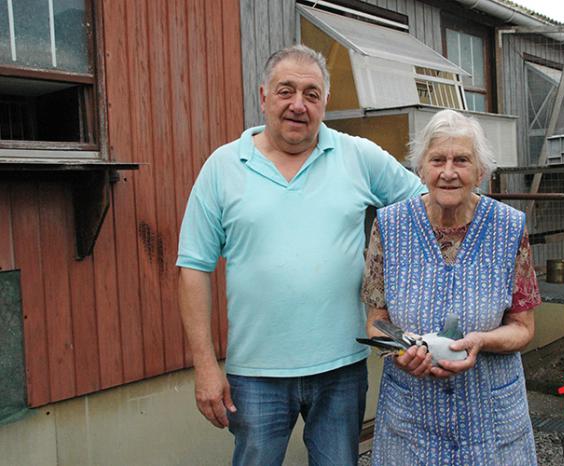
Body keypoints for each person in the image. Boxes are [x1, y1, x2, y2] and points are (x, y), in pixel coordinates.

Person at [176, 44, 424, 466]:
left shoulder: (357, 156)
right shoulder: (222, 166)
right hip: (255, 374)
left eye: (311, 94)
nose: (298, 105)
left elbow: (425, 207)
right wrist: (205, 366)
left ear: (325, 101)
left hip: (341, 368)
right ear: (263, 96)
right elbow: (194, 268)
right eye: (285, 91)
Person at [362, 109, 540, 465]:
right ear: (421, 169)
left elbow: (523, 328)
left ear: (480, 172)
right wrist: (403, 352)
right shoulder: (390, 226)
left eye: (461, 160)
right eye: (437, 159)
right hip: (411, 421)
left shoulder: (508, 228)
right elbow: (377, 322)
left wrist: (483, 341)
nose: (448, 172)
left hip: (490, 421)